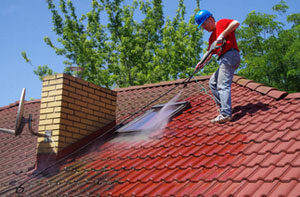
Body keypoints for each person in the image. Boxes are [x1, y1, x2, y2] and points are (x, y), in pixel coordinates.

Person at [195, 10, 240, 123]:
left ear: (210, 19)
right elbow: (210, 52)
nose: (203, 28)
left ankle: (226, 114)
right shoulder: (211, 38)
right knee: (213, 83)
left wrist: (222, 35)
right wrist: (201, 63)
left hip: (230, 55)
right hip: (224, 59)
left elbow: (236, 23)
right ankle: (224, 108)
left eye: (204, 24)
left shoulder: (221, 23)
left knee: (222, 84)